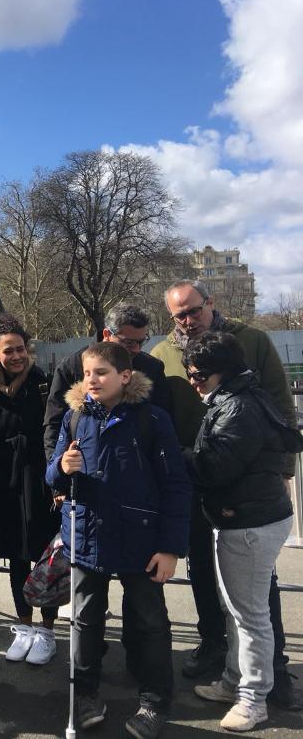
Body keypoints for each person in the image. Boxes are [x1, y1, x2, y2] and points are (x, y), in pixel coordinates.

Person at [151, 280, 299, 710]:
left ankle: (272, 671)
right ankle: (215, 646)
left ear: (210, 304)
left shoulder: (251, 341)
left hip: (238, 479)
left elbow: (280, 403)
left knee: (253, 590)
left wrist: (283, 468)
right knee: (202, 569)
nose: (187, 319)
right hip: (191, 482)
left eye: (193, 310)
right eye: (178, 314)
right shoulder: (163, 354)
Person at [47, 342, 191, 739]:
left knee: (149, 622)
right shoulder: (75, 418)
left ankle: (155, 699)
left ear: (125, 376)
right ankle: (86, 693)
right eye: (87, 372)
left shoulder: (153, 419)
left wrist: (170, 548)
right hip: (87, 536)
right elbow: (52, 475)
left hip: (141, 540)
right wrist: (61, 467)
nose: (91, 380)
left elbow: (176, 486)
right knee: (85, 620)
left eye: (101, 373)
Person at [183, 333, 297, 732]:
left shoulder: (239, 407)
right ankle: (235, 682)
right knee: (238, 610)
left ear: (223, 372)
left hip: (250, 520)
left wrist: (172, 455)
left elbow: (214, 468)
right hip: (244, 515)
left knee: (250, 616)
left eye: (198, 374)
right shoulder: (238, 398)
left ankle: (253, 698)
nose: (193, 381)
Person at [0, 315, 60, 666]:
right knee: (15, 556)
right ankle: (24, 625)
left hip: (37, 479)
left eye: (20, 349)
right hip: (4, 482)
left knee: (46, 558)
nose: (16, 356)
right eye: (8, 351)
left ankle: (47, 630)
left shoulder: (44, 384)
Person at [43, 303, 171, 461]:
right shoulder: (71, 367)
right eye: (129, 343)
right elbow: (54, 425)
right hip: (86, 470)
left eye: (141, 341)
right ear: (106, 334)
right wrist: (57, 470)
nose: (137, 349)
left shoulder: (151, 367)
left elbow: (164, 425)